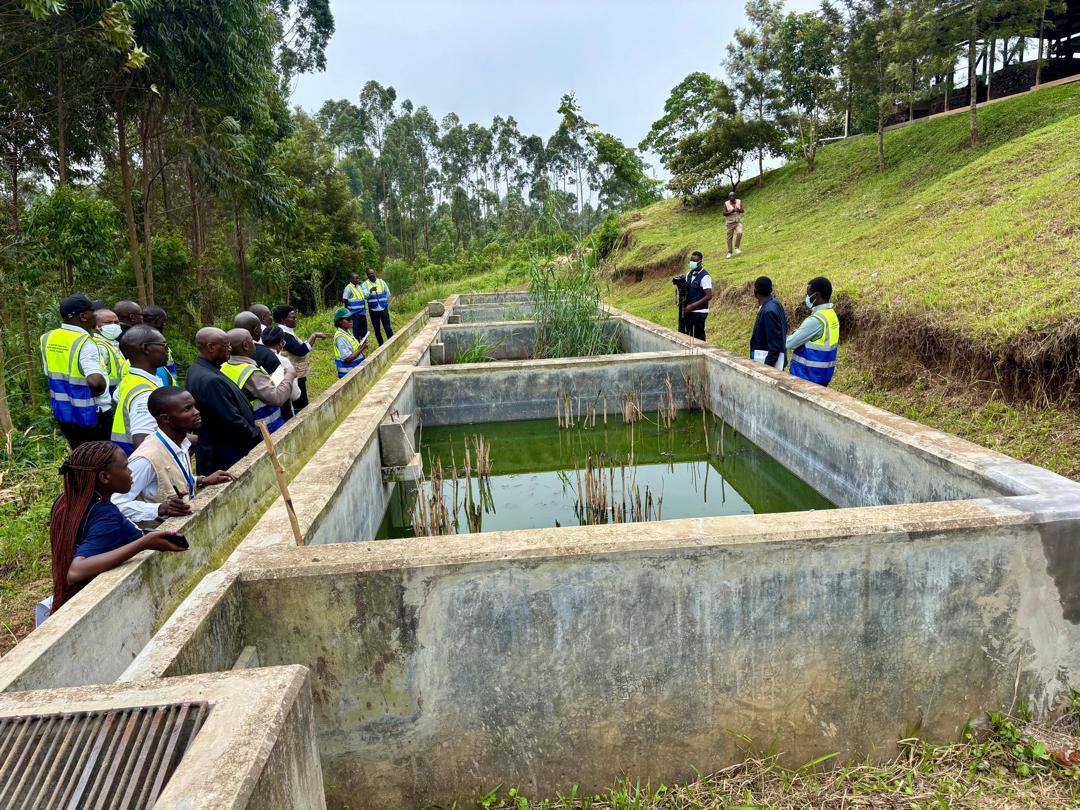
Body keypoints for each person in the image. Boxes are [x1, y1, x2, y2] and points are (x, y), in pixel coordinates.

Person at [48, 441, 186, 615]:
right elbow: (76, 571)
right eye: (125, 467)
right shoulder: (106, 514)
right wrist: (144, 543)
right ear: (105, 477)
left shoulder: (65, 501)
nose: (130, 472)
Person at [113, 387, 235, 528]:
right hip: (161, 536)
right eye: (187, 409)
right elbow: (117, 503)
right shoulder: (146, 458)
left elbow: (166, 480)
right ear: (165, 418)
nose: (196, 412)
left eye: (194, 406)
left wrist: (201, 480)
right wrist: (159, 508)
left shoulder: (181, 443)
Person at [185, 327, 261, 472]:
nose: (230, 349)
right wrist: (256, 436)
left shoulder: (200, 369)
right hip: (225, 454)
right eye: (226, 346)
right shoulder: (209, 380)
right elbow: (230, 419)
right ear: (211, 347)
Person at [40, 294, 110, 448]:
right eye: (92, 311)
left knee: (80, 457)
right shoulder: (84, 342)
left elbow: (49, 373)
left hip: (64, 413)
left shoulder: (48, 338)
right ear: (83, 316)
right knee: (100, 460)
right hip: (91, 415)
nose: (95, 315)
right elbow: (95, 382)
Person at [221, 328, 296, 433]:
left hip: (247, 428)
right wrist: (290, 374)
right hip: (267, 429)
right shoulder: (251, 373)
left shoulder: (224, 367)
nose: (255, 343)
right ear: (245, 345)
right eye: (252, 340)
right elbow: (277, 398)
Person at [112, 325, 169, 454]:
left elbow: (115, 398)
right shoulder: (145, 394)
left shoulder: (130, 379)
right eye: (164, 345)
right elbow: (143, 445)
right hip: (140, 466)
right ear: (146, 348)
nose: (167, 350)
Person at [272, 304, 328, 413]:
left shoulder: (288, 333)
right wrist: (314, 336)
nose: (295, 319)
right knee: (300, 406)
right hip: (294, 376)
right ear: (284, 319)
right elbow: (300, 351)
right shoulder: (284, 335)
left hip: (298, 374)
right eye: (292, 317)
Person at [787, 276, 840, 387]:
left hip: (806, 377)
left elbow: (789, 343)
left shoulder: (815, 320)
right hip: (823, 376)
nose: (806, 297)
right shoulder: (831, 315)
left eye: (808, 294)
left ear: (816, 296)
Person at [749, 276, 788, 370]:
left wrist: (766, 368)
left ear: (755, 292)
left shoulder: (768, 311)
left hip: (767, 363)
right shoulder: (776, 304)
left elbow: (774, 346)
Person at [261, 326, 302, 412]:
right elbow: (295, 395)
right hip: (283, 408)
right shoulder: (283, 361)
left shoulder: (255, 356)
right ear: (280, 343)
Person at [92, 308, 126, 405]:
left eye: (116, 322)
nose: (114, 325)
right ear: (95, 325)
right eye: (108, 323)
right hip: (108, 398)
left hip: (118, 395)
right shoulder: (98, 346)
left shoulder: (113, 344)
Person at [679, 251, 713, 342]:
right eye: (691, 260)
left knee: (698, 337)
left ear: (700, 262)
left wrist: (692, 306)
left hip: (699, 312)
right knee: (687, 336)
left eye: (694, 261)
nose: (692, 263)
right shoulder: (688, 274)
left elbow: (709, 295)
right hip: (688, 311)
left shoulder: (705, 277)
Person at [140, 305, 178, 385]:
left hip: (169, 380)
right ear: (157, 320)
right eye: (163, 321)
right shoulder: (145, 339)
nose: (164, 324)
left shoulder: (157, 337)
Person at [234, 311, 280, 375]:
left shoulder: (228, 353)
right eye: (260, 329)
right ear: (256, 331)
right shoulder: (267, 354)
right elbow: (280, 380)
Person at [332, 308, 366, 379]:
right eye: (348, 319)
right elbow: (347, 358)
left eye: (351, 318)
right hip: (349, 375)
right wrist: (361, 348)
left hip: (355, 370)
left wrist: (362, 345)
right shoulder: (340, 337)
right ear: (340, 322)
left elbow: (353, 350)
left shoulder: (347, 333)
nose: (351, 321)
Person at [362, 268, 393, 345]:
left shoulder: (382, 282)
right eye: (369, 274)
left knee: (387, 327)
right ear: (367, 276)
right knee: (377, 329)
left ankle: (392, 342)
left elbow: (388, 293)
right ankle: (381, 344)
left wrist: (384, 301)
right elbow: (365, 296)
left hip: (383, 308)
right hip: (373, 310)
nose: (371, 275)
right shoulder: (364, 284)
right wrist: (370, 291)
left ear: (375, 273)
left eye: (372, 273)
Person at [341, 272, 369, 343]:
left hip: (362, 313)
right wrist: (348, 313)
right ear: (351, 279)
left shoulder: (359, 287)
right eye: (356, 278)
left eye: (358, 278)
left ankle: (364, 345)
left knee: (363, 330)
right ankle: (357, 347)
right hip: (354, 314)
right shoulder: (348, 288)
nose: (358, 279)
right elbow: (344, 299)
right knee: (356, 331)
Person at [723, 191, 744, 258]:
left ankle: (736, 248)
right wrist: (730, 211)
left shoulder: (739, 201)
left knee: (740, 233)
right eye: (730, 196)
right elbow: (724, 213)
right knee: (729, 238)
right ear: (729, 197)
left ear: (735, 196)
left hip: (737, 221)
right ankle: (729, 252)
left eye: (733, 196)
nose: (731, 197)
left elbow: (742, 210)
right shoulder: (726, 203)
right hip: (730, 223)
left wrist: (738, 210)